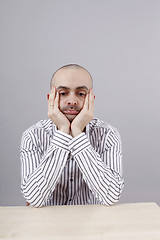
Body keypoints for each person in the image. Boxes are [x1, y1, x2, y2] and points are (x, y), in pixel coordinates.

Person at [20, 64, 124, 207]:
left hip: (94, 225)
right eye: (63, 93)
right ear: (50, 98)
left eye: (81, 94)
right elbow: (33, 199)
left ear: (91, 99)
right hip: (47, 226)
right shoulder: (33, 135)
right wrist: (63, 131)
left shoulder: (107, 134)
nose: (72, 101)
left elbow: (111, 196)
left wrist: (77, 133)